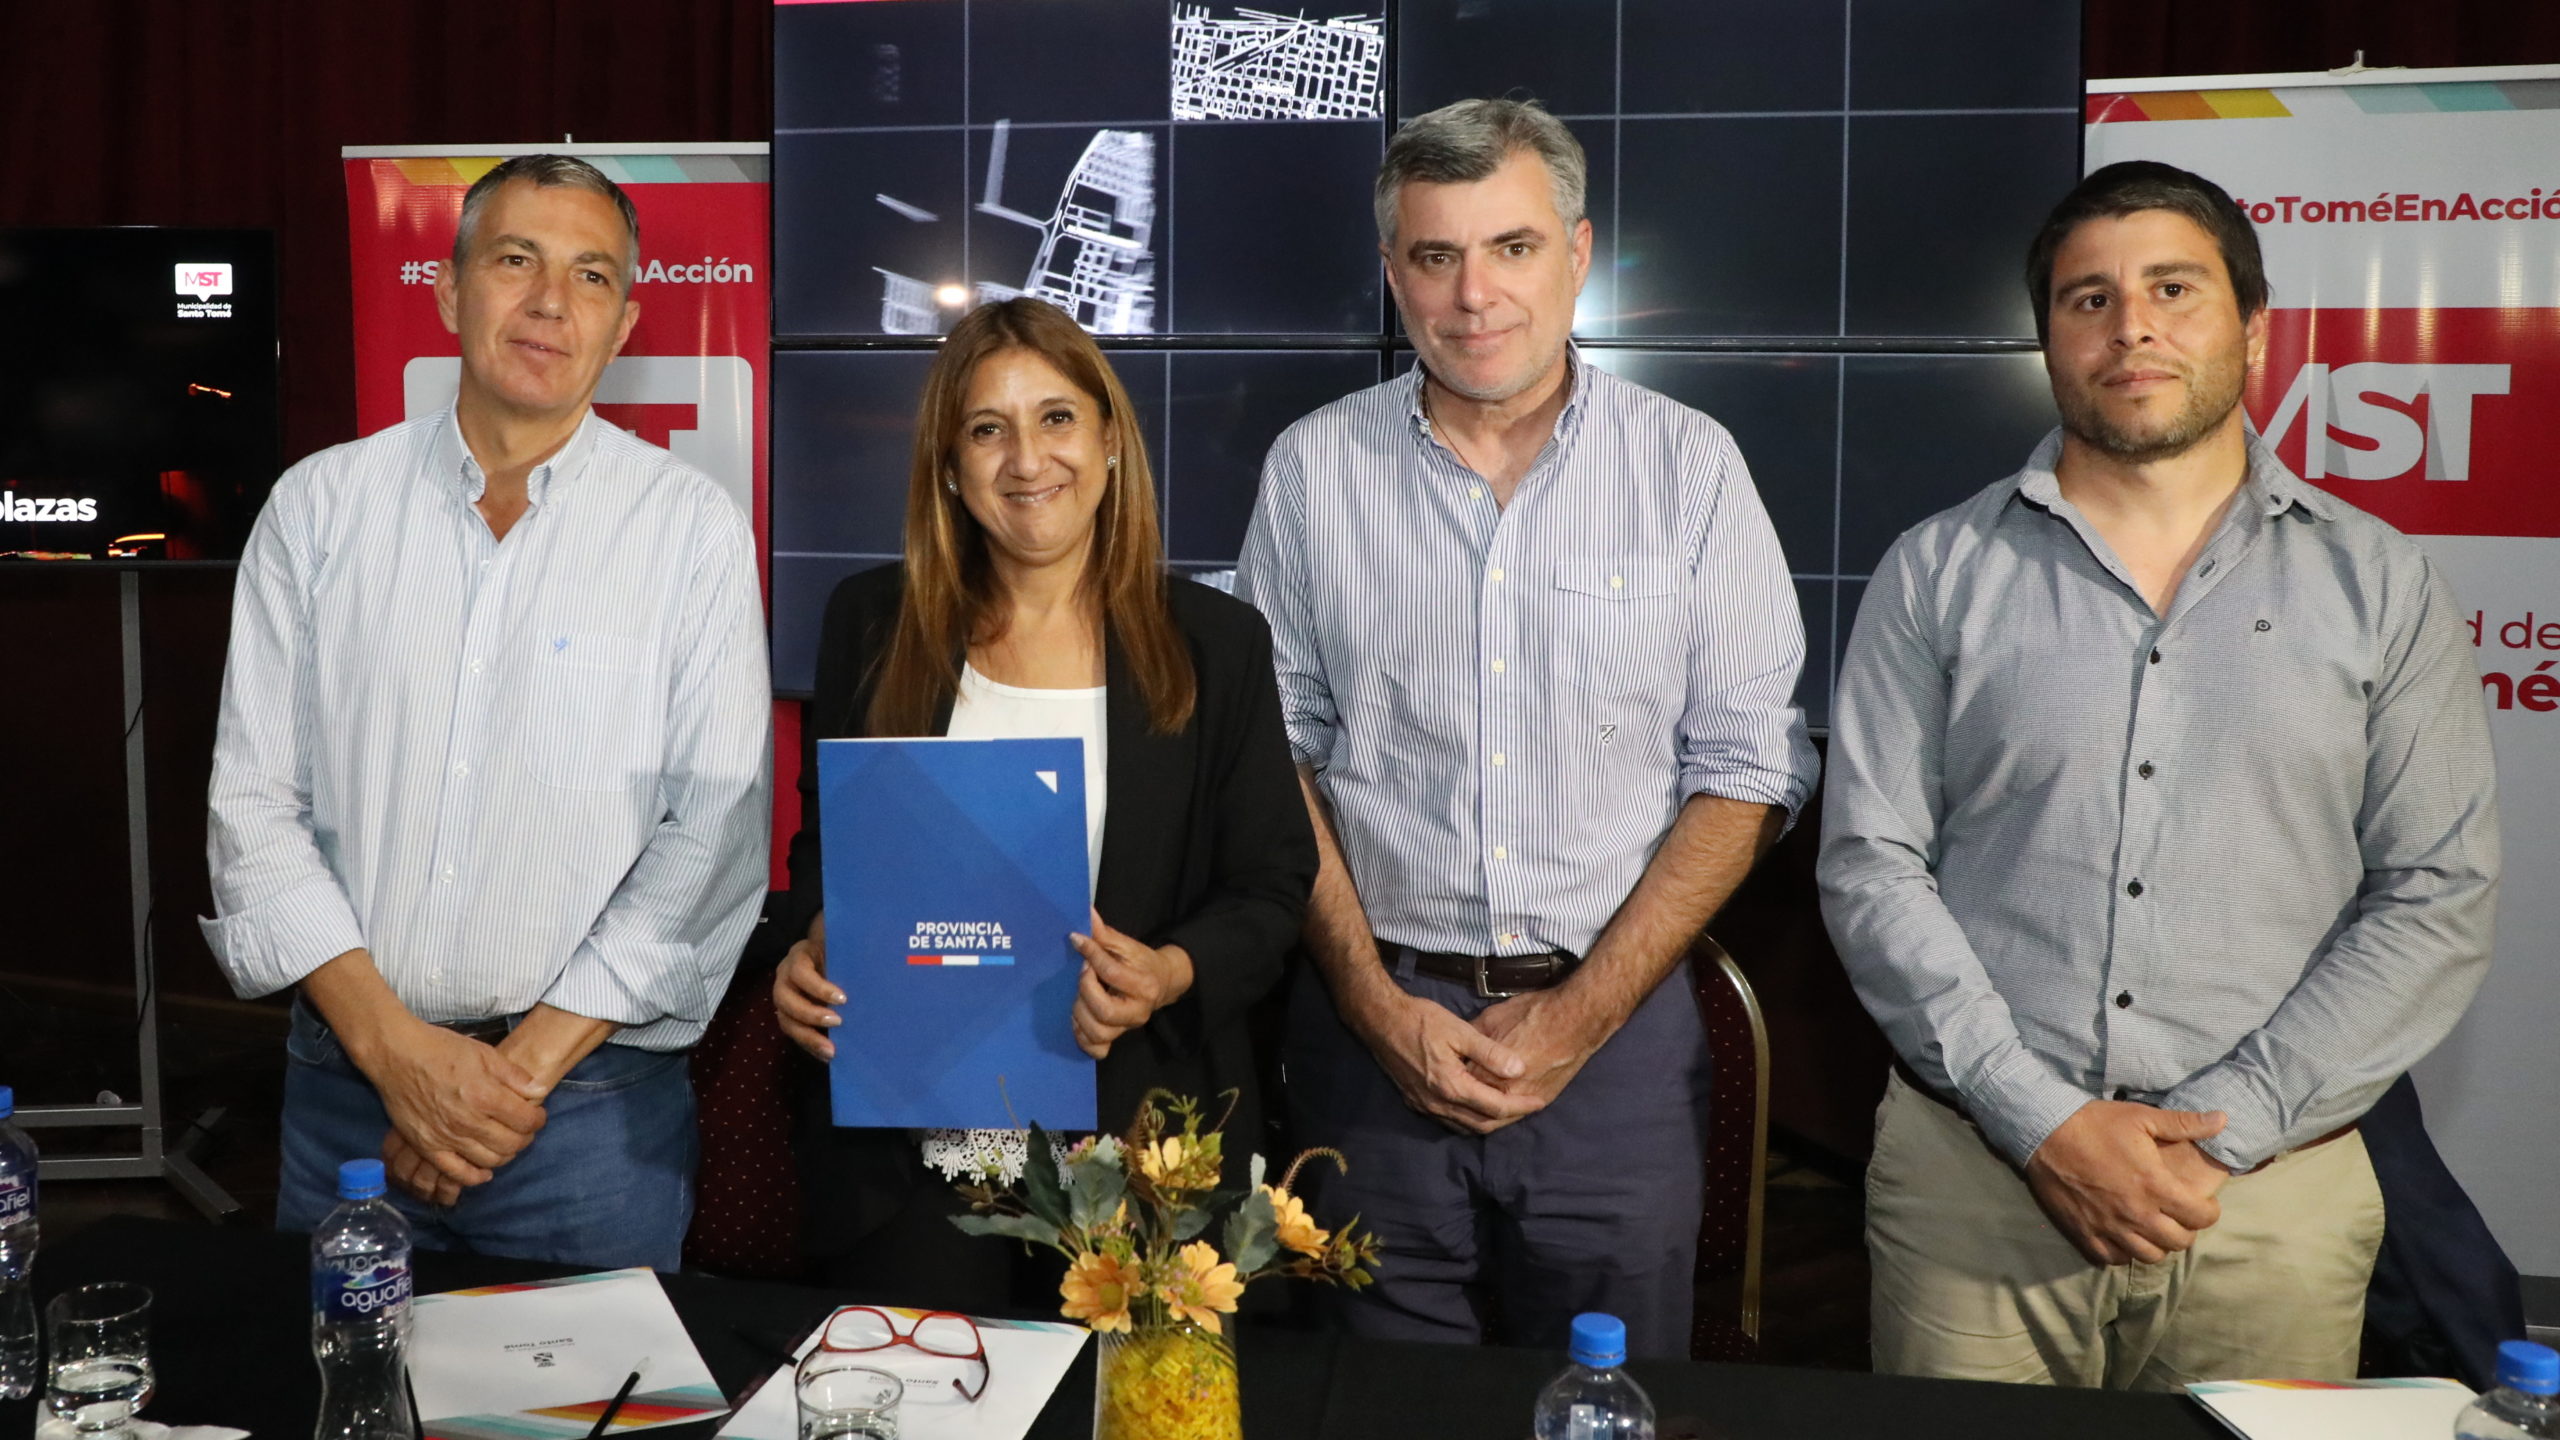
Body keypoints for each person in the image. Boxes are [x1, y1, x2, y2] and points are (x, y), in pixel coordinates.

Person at [1818, 159, 2500, 1388]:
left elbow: (2436, 893)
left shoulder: (2381, 586)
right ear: (2048, 339)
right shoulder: (1934, 573)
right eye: (2089, 299)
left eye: (2173, 289)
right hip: (1977, 1190)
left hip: (2268, 1207)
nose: (2130, 326)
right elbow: (1871, 865)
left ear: (2254, 330)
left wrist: (2221, 1132)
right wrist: (2040, 1120)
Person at [1234, 98, 1818, 1359]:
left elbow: (1747, 767)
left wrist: (1577, 1020)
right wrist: (1374, 1006)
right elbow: (1275, 757)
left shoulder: (1690, 469)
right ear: (1391, 272)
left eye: (1511, 247)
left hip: (1617, 1048)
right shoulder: (1311, 472)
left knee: (1607, 1402)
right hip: (1370, 1044)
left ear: (1577, 252)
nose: (1474, 295)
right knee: (1372, 1405)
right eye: (1435, 256)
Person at [202, 154, 771, 1271]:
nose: (551, 302)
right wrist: (401, 1060)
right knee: (344, 1371)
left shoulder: (691, 532)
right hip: (347, 1101)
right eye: (516, 260)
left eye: (591, 276)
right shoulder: (319, 509)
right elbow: (253, 808)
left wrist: (497, 1088)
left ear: (624, 324)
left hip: (589, 1121)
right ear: (449, 291)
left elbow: (711, 837)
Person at [769, 296, 1316, 1306]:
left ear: (1109, 441)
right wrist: (808, 947)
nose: (1027, 459)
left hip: (1143, 1153)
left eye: (1056, 418)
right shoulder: (871, 622)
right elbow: (826, 854)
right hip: (914, 1156)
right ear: (948, 464)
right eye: (988, 429)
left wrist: (1166, 972)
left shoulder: (1215, 644)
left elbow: (1274, 885)